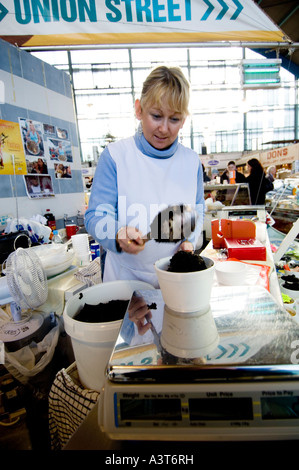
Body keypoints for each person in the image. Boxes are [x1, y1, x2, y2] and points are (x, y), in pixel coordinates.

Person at [85, 66, 204, 288]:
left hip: (175, 281)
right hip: (124, 283)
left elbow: (196, 210)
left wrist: (189, 241)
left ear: (184, 119)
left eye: (175, 119)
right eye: (156, 116)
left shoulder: (191, 162)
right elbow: (95, 216)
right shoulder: (116, 157)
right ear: (139, 109)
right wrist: (118, 233)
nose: (164, 129)